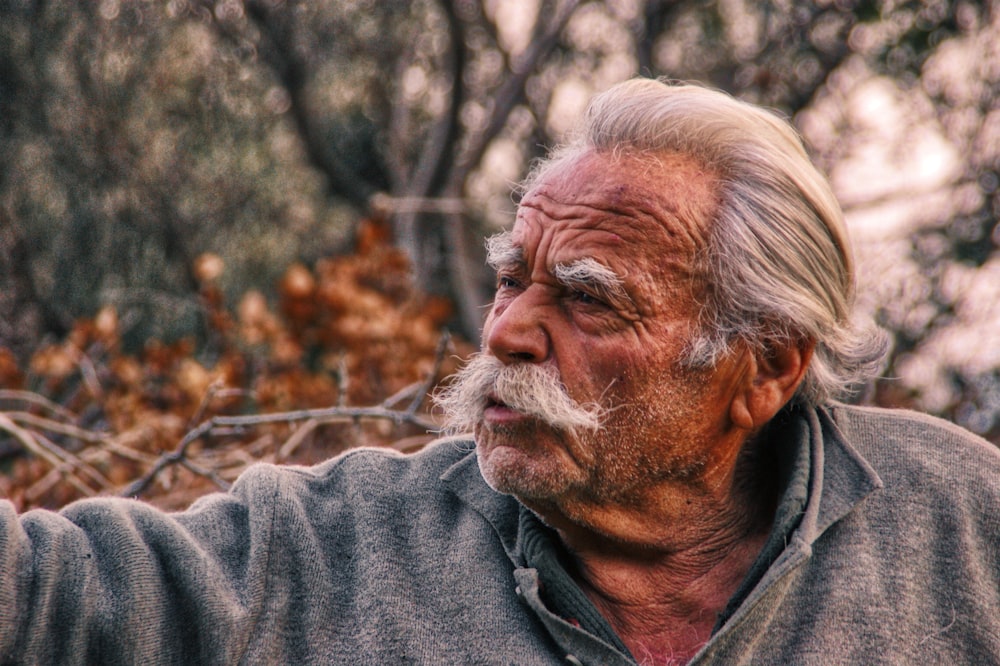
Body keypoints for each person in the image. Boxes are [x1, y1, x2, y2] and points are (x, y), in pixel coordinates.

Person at [2, 78, 998, 665]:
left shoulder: (959, 528)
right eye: (510, 281)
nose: (510, 333)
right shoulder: (341, 549)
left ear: (764, 367)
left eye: (587, 297)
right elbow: (46, 590)